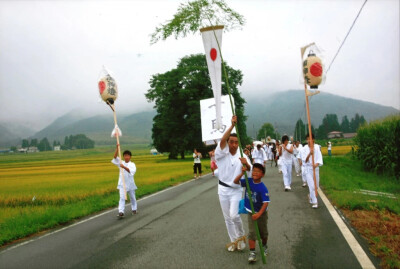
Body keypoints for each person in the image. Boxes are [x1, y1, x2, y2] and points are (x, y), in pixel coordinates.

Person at [215, 115, 252, 252]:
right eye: (231, 142)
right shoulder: (221, 154)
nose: (234, 145)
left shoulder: (242, 156)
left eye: (236, 142)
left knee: (234, 215)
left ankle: (241, 236)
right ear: (228, 142)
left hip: (236, 190)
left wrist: (246, 165)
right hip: (222, 190)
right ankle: (233, 241)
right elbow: (223, 140)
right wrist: (231, 126)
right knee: (227, 218)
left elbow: (250, 172)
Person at [233, 163, 270, 263]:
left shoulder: (262, 188)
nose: (254, 173)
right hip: (251, 212)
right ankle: (252, 252)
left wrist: (259, 214)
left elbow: (266, 203)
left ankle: (264, 245)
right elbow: (235, 181)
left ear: (262, 174)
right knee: (252, 233)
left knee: (263, 233)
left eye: (257, 172)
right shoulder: (248, 181)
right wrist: (242, 173)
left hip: (261, 213)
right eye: (253, 170)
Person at [111, 144, 137, 218]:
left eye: (127, 156)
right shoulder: (121, 162)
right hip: (122, 184)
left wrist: (124, 167)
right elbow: (115, 157)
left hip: (130, 184)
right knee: (122, 198)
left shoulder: (132, 164)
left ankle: (134, 209)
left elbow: (131, 171)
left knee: (132, 198)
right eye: (125, 155)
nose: (126, 157)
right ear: (123, 156)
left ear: (130, 157)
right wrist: (117, 148)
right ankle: (121, 212)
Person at [301, 133, 323, 208]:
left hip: (315, 168)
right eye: (307, 139)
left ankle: (310, 195)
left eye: (310, 139)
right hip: (308, 169)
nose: (308, 140)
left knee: (316, 186)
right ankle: (314, 202)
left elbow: (319, 159)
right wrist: (310, 154)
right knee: (312, 186)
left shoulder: (317, 147)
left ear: (313, 139)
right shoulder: (304, 148)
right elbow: (305, 160)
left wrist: (316, 164)